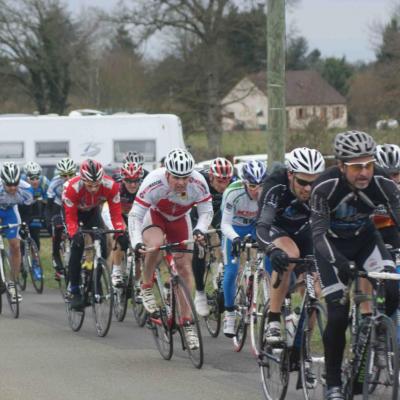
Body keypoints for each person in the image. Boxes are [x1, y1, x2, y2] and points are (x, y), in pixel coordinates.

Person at [310, 130, 400, 400]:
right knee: (337, 315)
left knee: (394, 289)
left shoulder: (384, 183)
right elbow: (318, 235)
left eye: (369, 165)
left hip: (365, 242)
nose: (364, 173)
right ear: (340, 166)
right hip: (332, 249)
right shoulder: (325, 187)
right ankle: (334, 383)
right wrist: (341, 263)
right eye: (357, 166)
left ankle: (380, 334)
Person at [128, 148, 213, 349]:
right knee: (155, 246)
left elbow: (206, 211)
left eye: (185, 177)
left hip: (179, 219)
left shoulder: (199, 183)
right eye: (176, 177)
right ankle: (146, 285)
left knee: (184, 268)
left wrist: (200, 230)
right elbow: (135, 215)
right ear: (167, 173)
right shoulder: (154, 182)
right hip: (155, 216)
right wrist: (136, 242)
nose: (181, 182)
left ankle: (187, 322)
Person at [256, 147, 325, 342]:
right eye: (302, 182)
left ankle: (302, 352)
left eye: (314, 182)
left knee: (315, 291)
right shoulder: (276, 184)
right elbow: (262, 226)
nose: (308, 189)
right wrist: (272, 249)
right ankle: (274, 321)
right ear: (290, 174)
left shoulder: (323, 189)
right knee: (288, 254)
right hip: (277, 228)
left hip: (306, 232)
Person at [63, 159, 125, 310]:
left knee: (103, 244)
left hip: (92, 212)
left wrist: (120, 232)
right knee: (77, 245)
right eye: (89, 185)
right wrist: (74, 232)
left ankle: (95, 282)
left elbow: (116, 215)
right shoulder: (72, 187)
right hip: (74, 213)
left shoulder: (111, 186)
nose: (93, 188)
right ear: (83, 179)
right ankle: (75, 289)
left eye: (97, 185)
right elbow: (70, 218)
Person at [221, 160, 268, 337]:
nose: (257, 190)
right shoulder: (233, 192)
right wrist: (235, 238)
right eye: (253, 185)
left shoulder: (269, 193)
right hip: (234, 228)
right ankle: (230, 314)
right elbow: (224, 224)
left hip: (256, 227)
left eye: (261, 185)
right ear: (245, 183)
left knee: (270, 261)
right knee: (231, 270)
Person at [190, 157, 234, 316]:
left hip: (220, 213)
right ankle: (200, 292)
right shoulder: (201, 183)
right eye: (220, 181)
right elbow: (194, 212)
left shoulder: (233, 183)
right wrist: (198, 232)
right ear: (211, 177)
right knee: (199, 247)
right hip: (199, 212)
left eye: (227, 181)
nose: (224, 185)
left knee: (226, 237)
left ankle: (219, 269)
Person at [102, 160, 144, 287]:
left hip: (134, 216)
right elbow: (108, 210)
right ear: (123, 180)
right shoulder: (117, 189)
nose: (132, 185)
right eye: (129, 181)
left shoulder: (143, 189)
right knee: (120, 238)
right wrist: (121, 229)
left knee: (139, 249)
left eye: (136, 181)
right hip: (115, 214)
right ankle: (116, 271)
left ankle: (136, 283)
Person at [0, 162, 33, 302]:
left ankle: (13, 284)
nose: (13, 188)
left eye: (15, 184)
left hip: (11, 212)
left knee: (15, 246)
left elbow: (26, 212)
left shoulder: (27, 189)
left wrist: (24, 226)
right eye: (9, 185)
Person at [45, 157, 77, 279]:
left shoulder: (81, 180)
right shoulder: (54, 184)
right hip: (59, 205)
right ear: (60, 174)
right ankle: (57, 262)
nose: (67, 178)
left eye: (70, 174)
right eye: (64, 175)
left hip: (75, 204)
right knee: (57, 230)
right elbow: (48, 207)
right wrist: (49, 222)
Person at [22, 161, 50, 250]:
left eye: (37, 178)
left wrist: (40, 199)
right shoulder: (21, 182)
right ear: (26, 177)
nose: (34, 181)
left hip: (37, 209)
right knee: (21, 236)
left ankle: (35, 261)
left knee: (35, 235)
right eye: (31, 178)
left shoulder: (44, 182)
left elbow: (49, 200)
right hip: (23, 209)